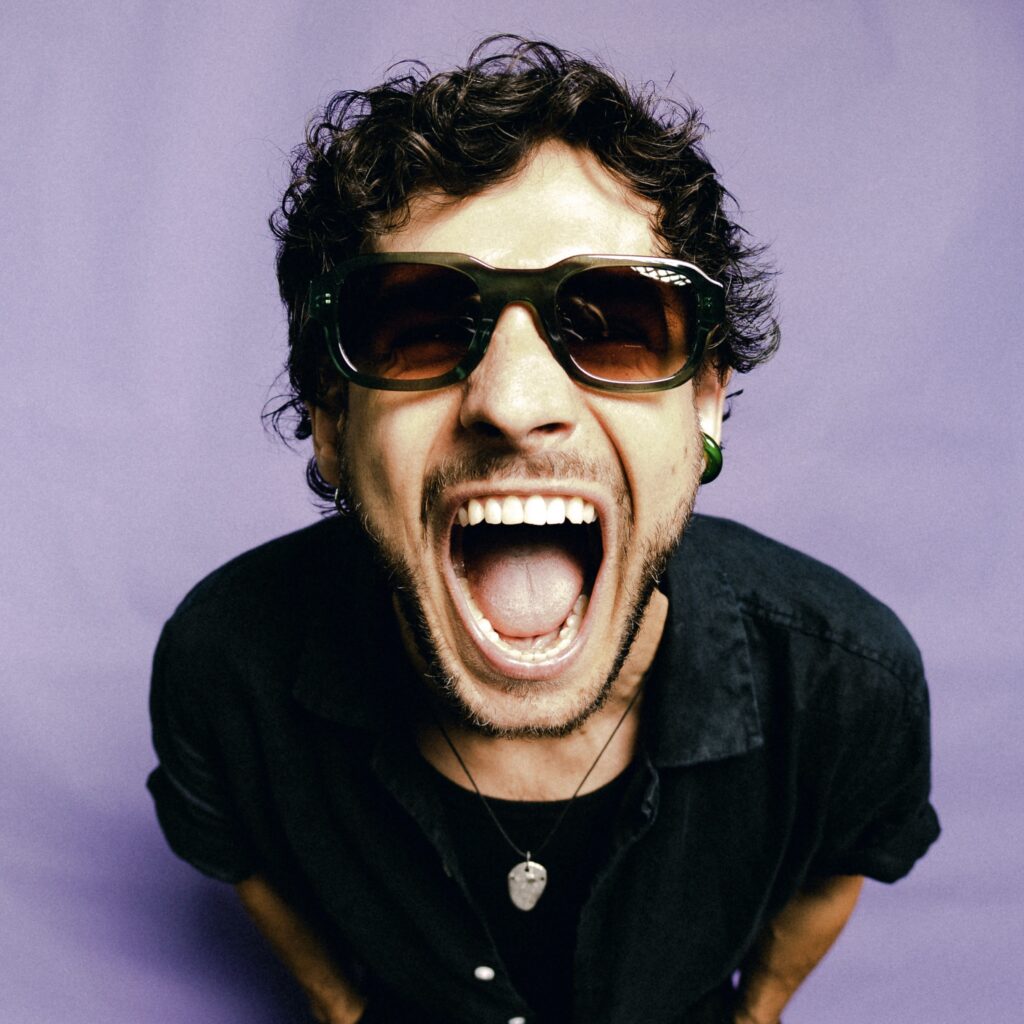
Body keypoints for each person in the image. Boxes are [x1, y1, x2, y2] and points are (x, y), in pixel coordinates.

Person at [147, 37, 939, 1024]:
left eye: (613, 324)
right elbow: (243, 859)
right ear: (333, 427)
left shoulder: (848, 682)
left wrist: (756, 1015)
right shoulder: (225, 665)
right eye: (419, 328)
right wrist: (341, 1012)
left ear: (704, 407)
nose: (516, 404)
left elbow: (835, 867)